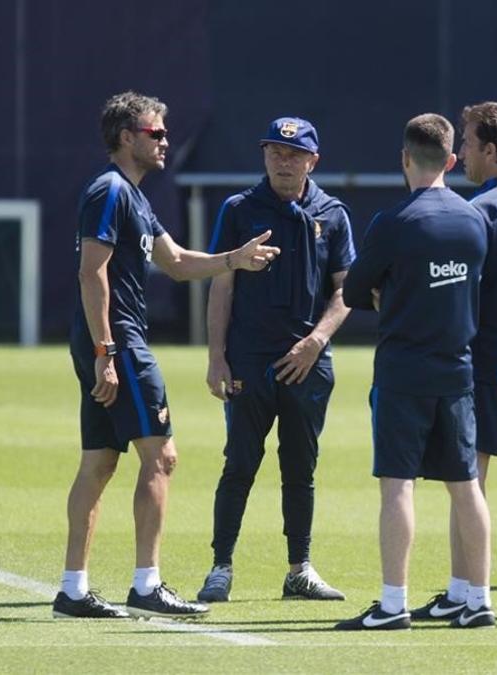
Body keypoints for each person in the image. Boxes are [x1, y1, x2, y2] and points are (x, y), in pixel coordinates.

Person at [56, 91, 280, 619]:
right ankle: (146, 584)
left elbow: (177, 262)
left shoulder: (132, 195)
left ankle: (72, 588)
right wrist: (106, 351)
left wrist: (234, 260)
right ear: (126, 136)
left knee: (100, 462)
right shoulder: (110, 191)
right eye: (155, 133)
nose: (165, 141)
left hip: (111, 341)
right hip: (119, 341)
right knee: (162, 457)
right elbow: (93, 272)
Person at [335, 113, 492, 631]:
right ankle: (480, 598)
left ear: (405, 158)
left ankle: (393, 601)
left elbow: (355, 292)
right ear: (450, 160)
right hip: (458, 369)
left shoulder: (394, 222)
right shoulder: (475, 219)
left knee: (398, 486)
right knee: (466, 485)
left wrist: (393, 291)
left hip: (404, 370)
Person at [195, 117, 353, 604]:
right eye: (274, 152)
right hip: (249, 361)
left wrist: (316, 342)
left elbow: (346, 291)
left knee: (300, 468)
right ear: (264, 155)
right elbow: (222, 284)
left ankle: (299, 569)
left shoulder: (333, 213)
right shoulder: (240, 209)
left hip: (307, 363)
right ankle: (220, 567)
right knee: (239, 462)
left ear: (313, 160)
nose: (283, 161)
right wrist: (216, 358)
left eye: (293, 153)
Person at [408, 102, 497, 624]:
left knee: (467, 479)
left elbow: (458, 295)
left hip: (485, 363)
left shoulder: (479, 212)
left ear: (490, 151)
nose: (460, 152)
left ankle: (466, 592)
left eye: (467, 143)